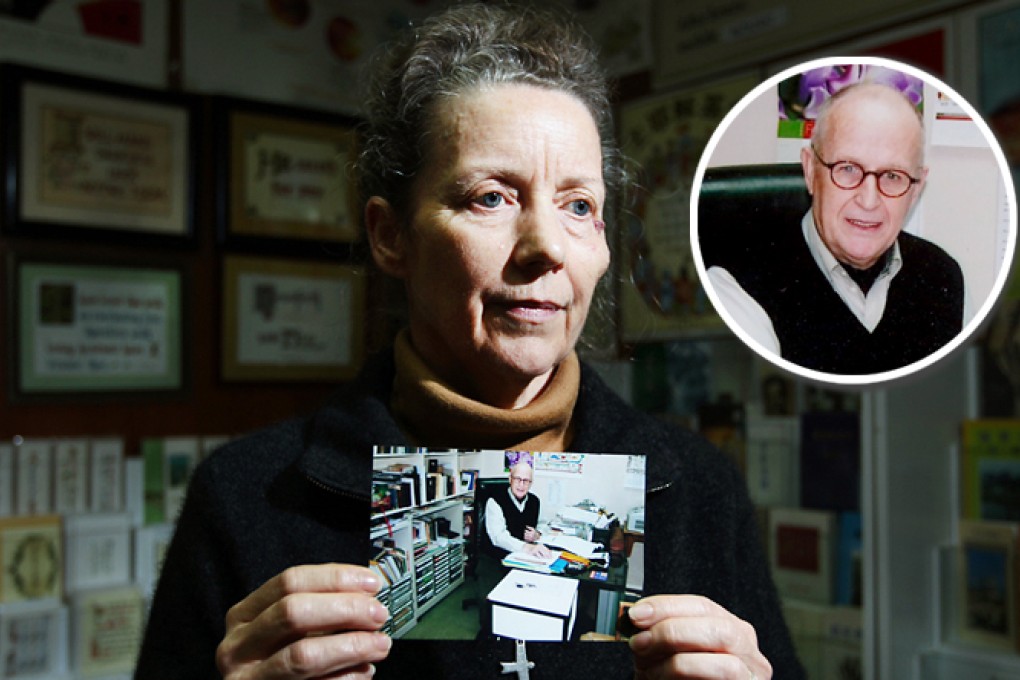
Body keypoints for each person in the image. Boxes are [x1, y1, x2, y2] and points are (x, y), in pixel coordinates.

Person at [135, 4, 801, 679]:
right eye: (491, 197)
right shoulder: (245, 494)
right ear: (390, 235)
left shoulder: (700, 490)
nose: (547, 247)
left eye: (578, 206)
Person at [707, 80, 966, 375]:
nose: (869, 200)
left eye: (892, 176)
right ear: (810, 170)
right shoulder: (736, 286)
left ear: (916, 189)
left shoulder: (941, 276)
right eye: (848, 169)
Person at [485, 452, 552, 558]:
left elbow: (544, 524)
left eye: (526, 481)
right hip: (498, 558)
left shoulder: (535, 501)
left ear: (530, 483)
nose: (521, 485)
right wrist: (527, 547)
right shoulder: (494, 501)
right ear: (510, 479)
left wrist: (537, 533)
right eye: (517, 479)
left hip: (526, 557)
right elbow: (498, 538)